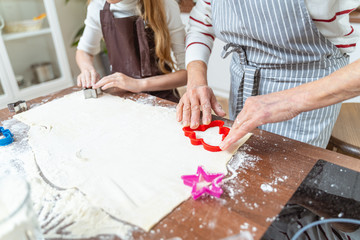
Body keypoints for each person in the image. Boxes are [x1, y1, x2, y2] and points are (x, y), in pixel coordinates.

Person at [176, 0, 360, 149]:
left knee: (288, 183)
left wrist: (289, 101)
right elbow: (202, 21)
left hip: (309, 87)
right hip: (243, 80)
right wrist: (196, 80)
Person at [76, 0, 187, 102]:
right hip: (122, 100)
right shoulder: (98, 6)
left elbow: (188, 73)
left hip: (162, 99)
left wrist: (139, 84)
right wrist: (87, 68)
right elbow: (84, 51)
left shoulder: (164, 5)